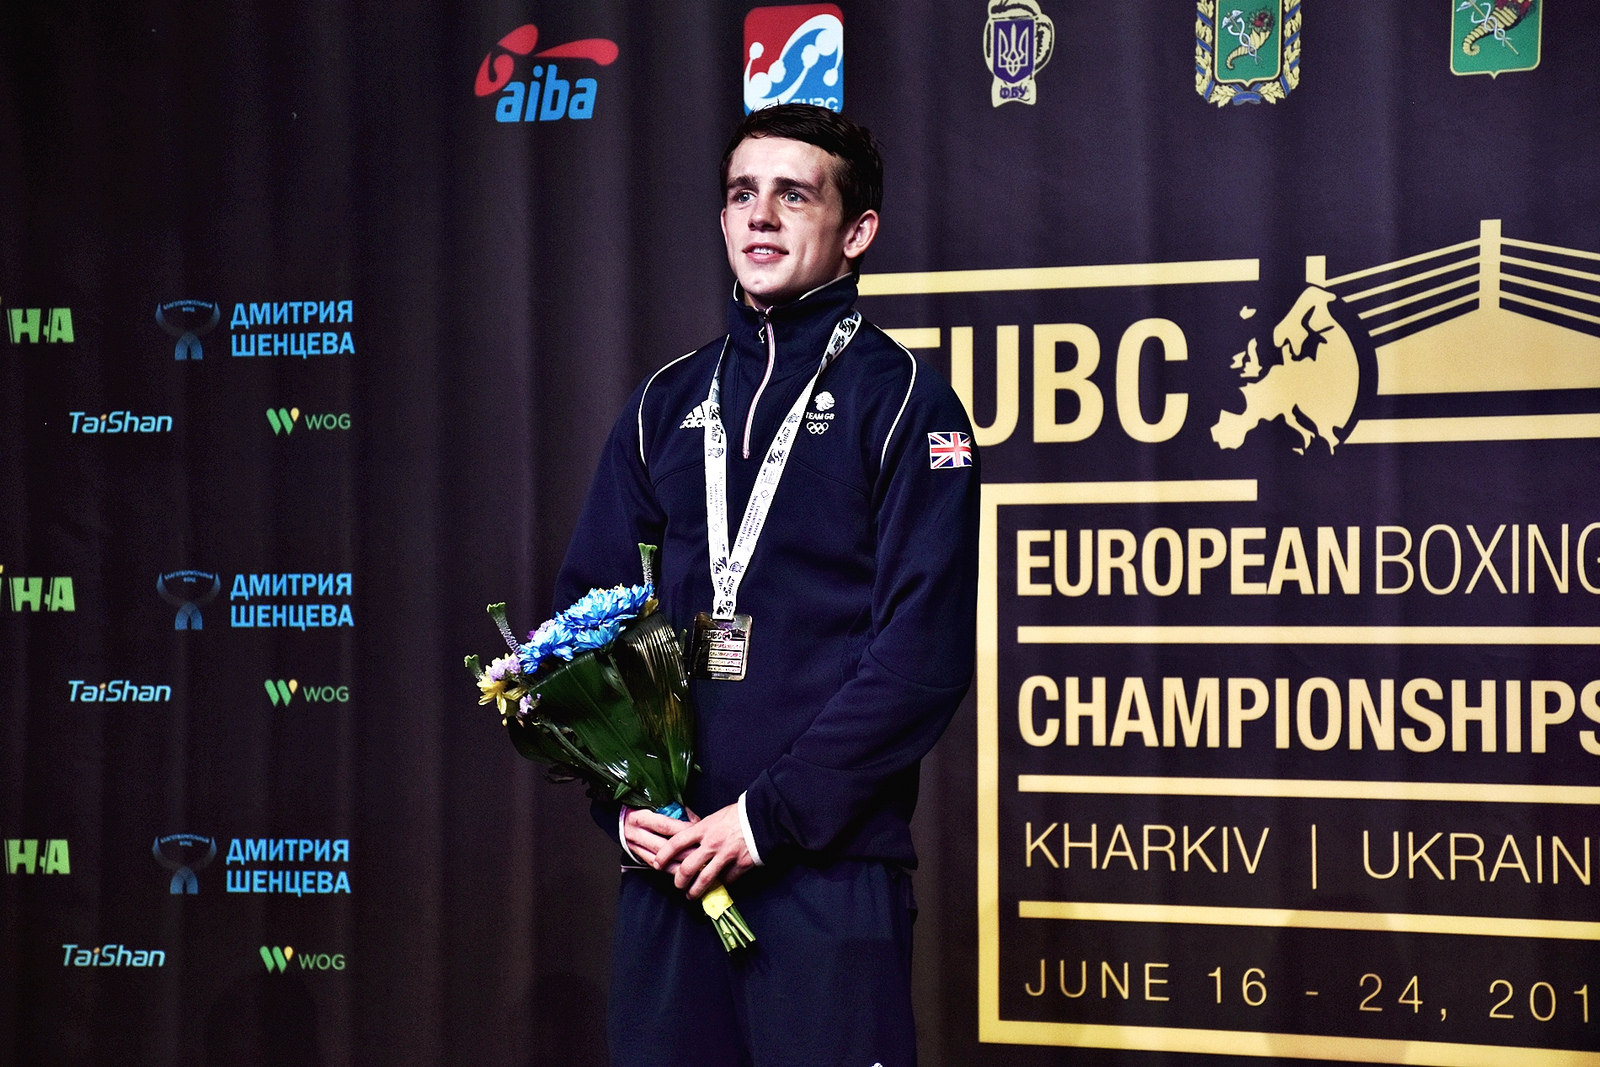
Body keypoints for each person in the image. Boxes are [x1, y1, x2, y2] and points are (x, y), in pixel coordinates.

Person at [552, 103, 980, 1067]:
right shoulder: (665, 403)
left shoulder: (906, 402)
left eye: (795, 195)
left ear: (857, 232)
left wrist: (764, 817)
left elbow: (922, 657)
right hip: (672, 872)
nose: (761, 216)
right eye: (743, 193)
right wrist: (624, 804)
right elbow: (585, 629)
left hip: (824, 874)